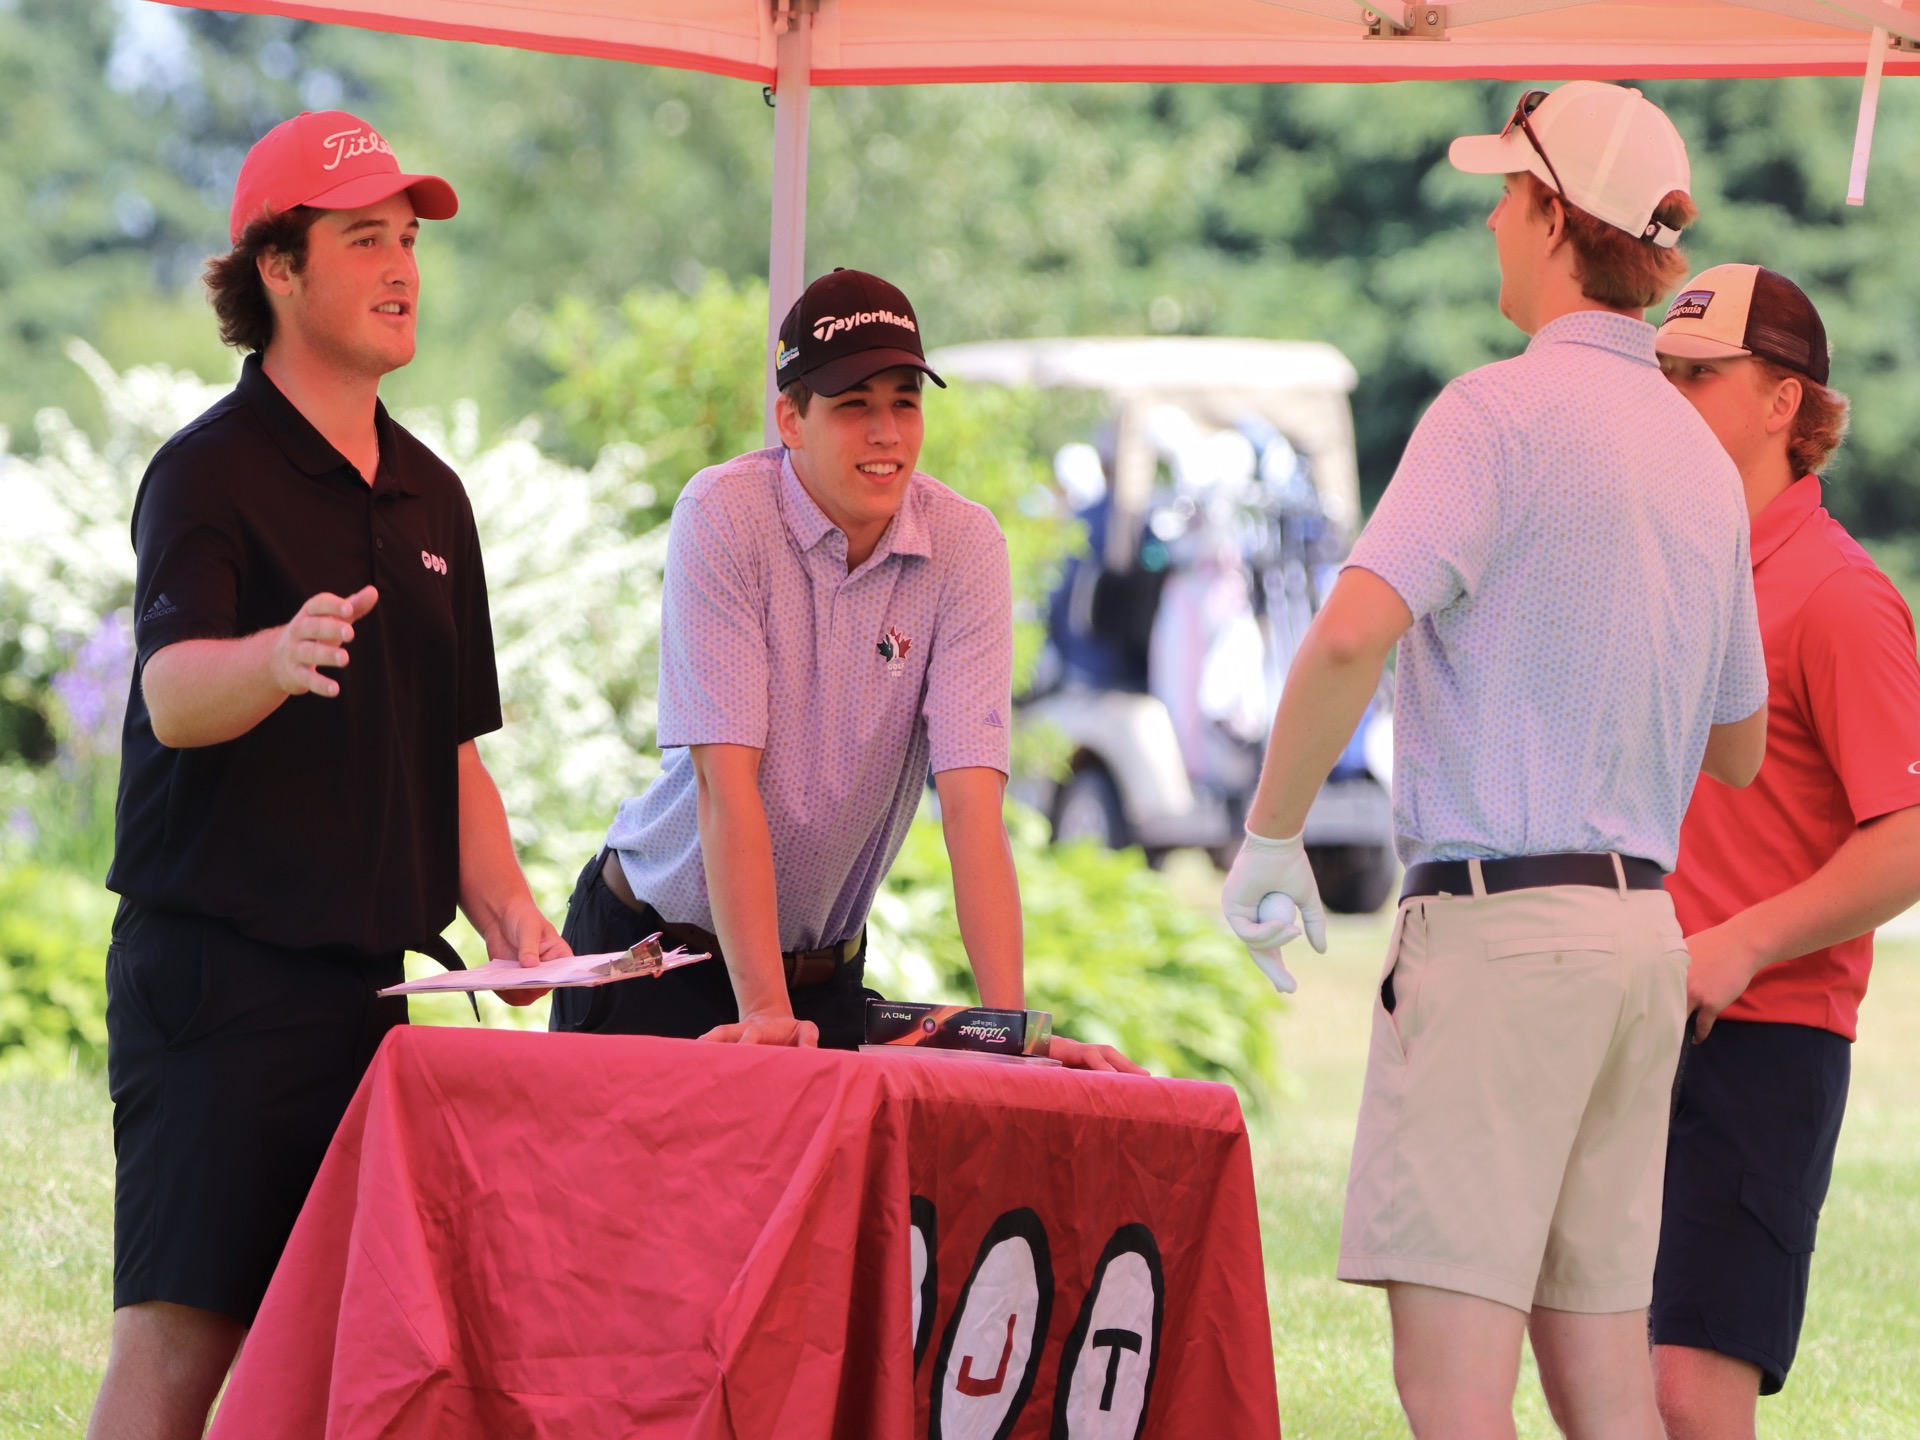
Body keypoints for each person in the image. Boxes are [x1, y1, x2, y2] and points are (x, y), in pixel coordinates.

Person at [1219, 83, 1769, 1438]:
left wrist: (1272, 836)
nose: (1488, 219)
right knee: (1606, 1391)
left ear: (1554, 214)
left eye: (1507, 194)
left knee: (1454, 1390)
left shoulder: (1491, 414)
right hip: (1641, 944)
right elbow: (1741, 744)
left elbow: (1352, 634)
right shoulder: (1703, 460)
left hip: (1501, 934)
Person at [88, 111, 566, 1440]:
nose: (402, 266)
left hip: (372, 1000)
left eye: (408, 239)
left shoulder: (434, 496)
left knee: (337, 1362)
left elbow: (449, 748)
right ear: (279, 269)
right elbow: (174, 695)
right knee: (180, 1350)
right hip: (216, 982)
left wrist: (512, 919)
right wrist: (275, 656)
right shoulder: (206, 472)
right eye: (365, 240)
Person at [549, 267, 1135, 1073]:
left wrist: (1013, 1037)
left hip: (824, 976)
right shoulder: (722, 515)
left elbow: (973, 810)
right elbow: (725, 785)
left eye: (905, 401)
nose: (887, 432)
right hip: (652, 954)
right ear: (791, 418)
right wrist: (763, 1010)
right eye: (855, 404)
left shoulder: (966, 548)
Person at [1649, 265, 1920, 1438]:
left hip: (1763, 1041)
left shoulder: (1841, 597)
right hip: (1633, 1013)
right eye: (1664, 374)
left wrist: (1741, 945)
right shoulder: (1666, 568)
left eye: (1700, 377)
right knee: (1604, 1382)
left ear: (1783, 402)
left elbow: (1910, 838)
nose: (1670, 399)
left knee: (1687, 1396)